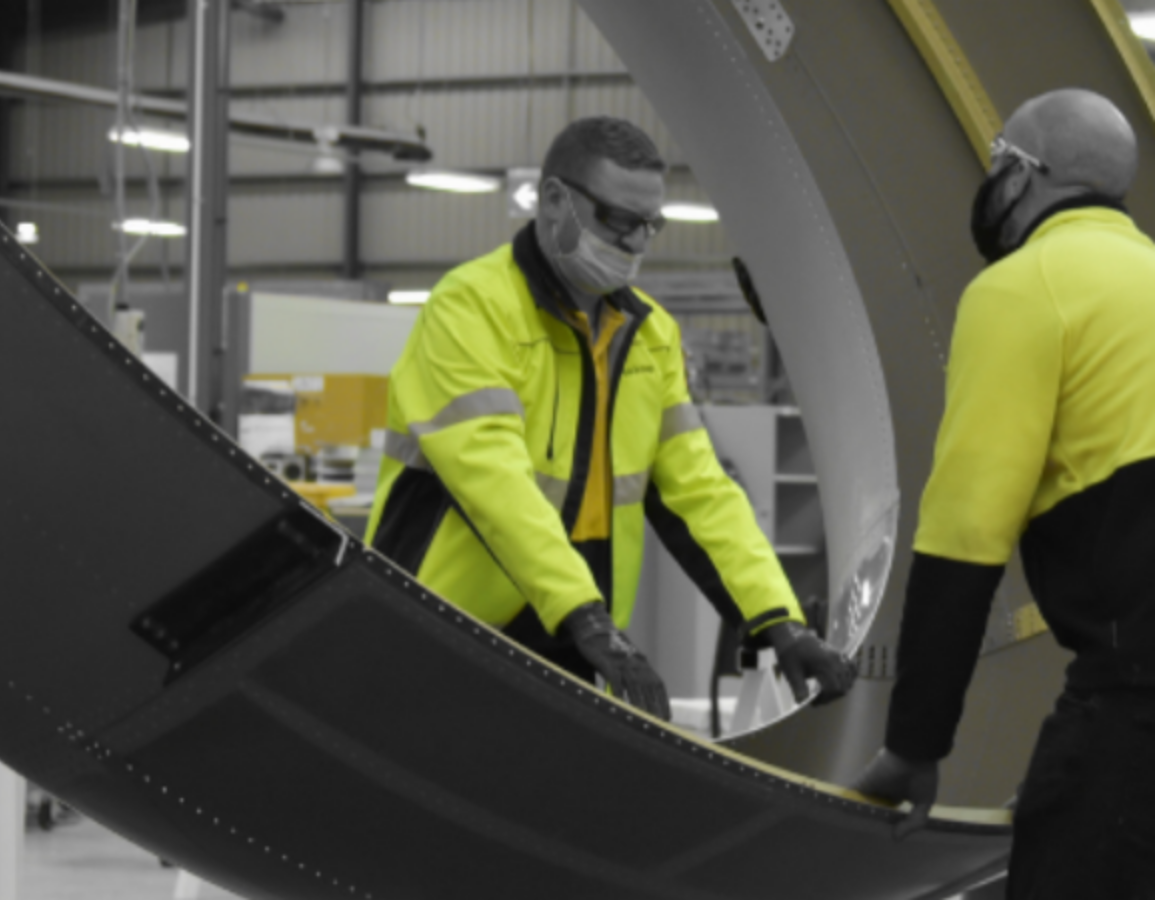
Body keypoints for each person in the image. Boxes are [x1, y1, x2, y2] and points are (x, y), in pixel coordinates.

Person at [366, 116, 855, 721]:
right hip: (439, 629)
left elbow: (700, 493)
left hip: (568, 644)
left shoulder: (650, 335)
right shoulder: (470, 308)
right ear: (554, 201)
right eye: (620, 221)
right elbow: (491, 481)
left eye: (650, 225)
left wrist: (779, 620)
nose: (636, 244)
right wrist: (585, 614)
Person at [854, 89, 1155, 897]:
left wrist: (915, 745)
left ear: (1023, 174)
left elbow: (964, 536)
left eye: (998, 162)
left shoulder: (1021, 288)